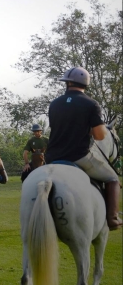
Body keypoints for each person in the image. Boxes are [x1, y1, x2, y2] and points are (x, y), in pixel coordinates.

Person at [45, 66, 122, 230]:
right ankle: (113, 218)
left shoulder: (55, 104)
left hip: (52, 158)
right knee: (113, 178)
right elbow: (100, 136)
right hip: (79, 157)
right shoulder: (90, 104)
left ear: (67, 83)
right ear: (85, 84)